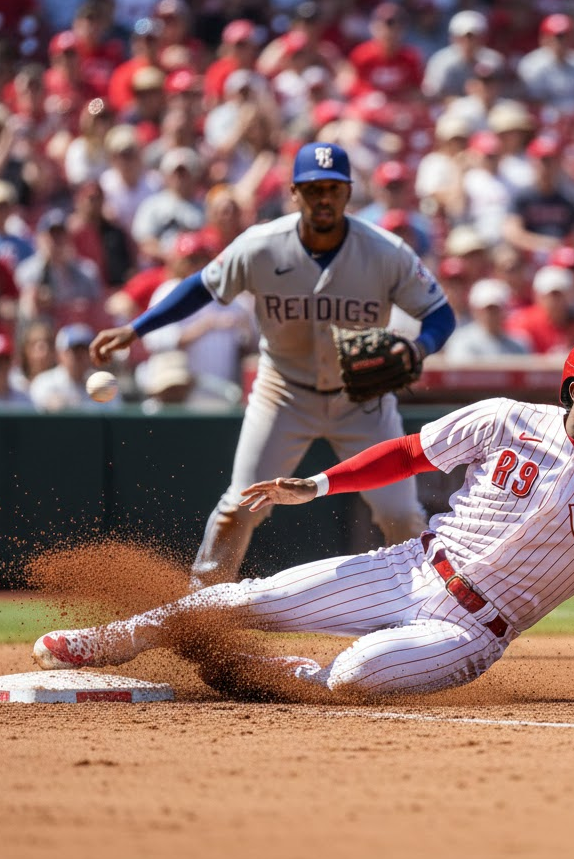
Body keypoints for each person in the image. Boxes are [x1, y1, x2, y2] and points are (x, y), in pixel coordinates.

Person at [34, 332, 574, 700]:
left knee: (357, 675)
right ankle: (107, 641)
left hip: (471, 631)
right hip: (407, 569)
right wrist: (324, 483)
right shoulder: (506, 418)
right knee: (243, 597)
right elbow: (408, 452)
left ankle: (261, 677)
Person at [89, 141, 456, 590]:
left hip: (361, 400)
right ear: (293, 192)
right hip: (283, 392)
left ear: (348, 193)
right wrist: (138, 328)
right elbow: (202, 287)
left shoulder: (385, 251)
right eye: (312, 188)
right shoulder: (261, 245)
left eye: (333, 189)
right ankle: (200, 605)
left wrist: (420, 348)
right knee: (239, 504)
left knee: (401, 513)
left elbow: (440, 314)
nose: (323, 197)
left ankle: (425, 605)